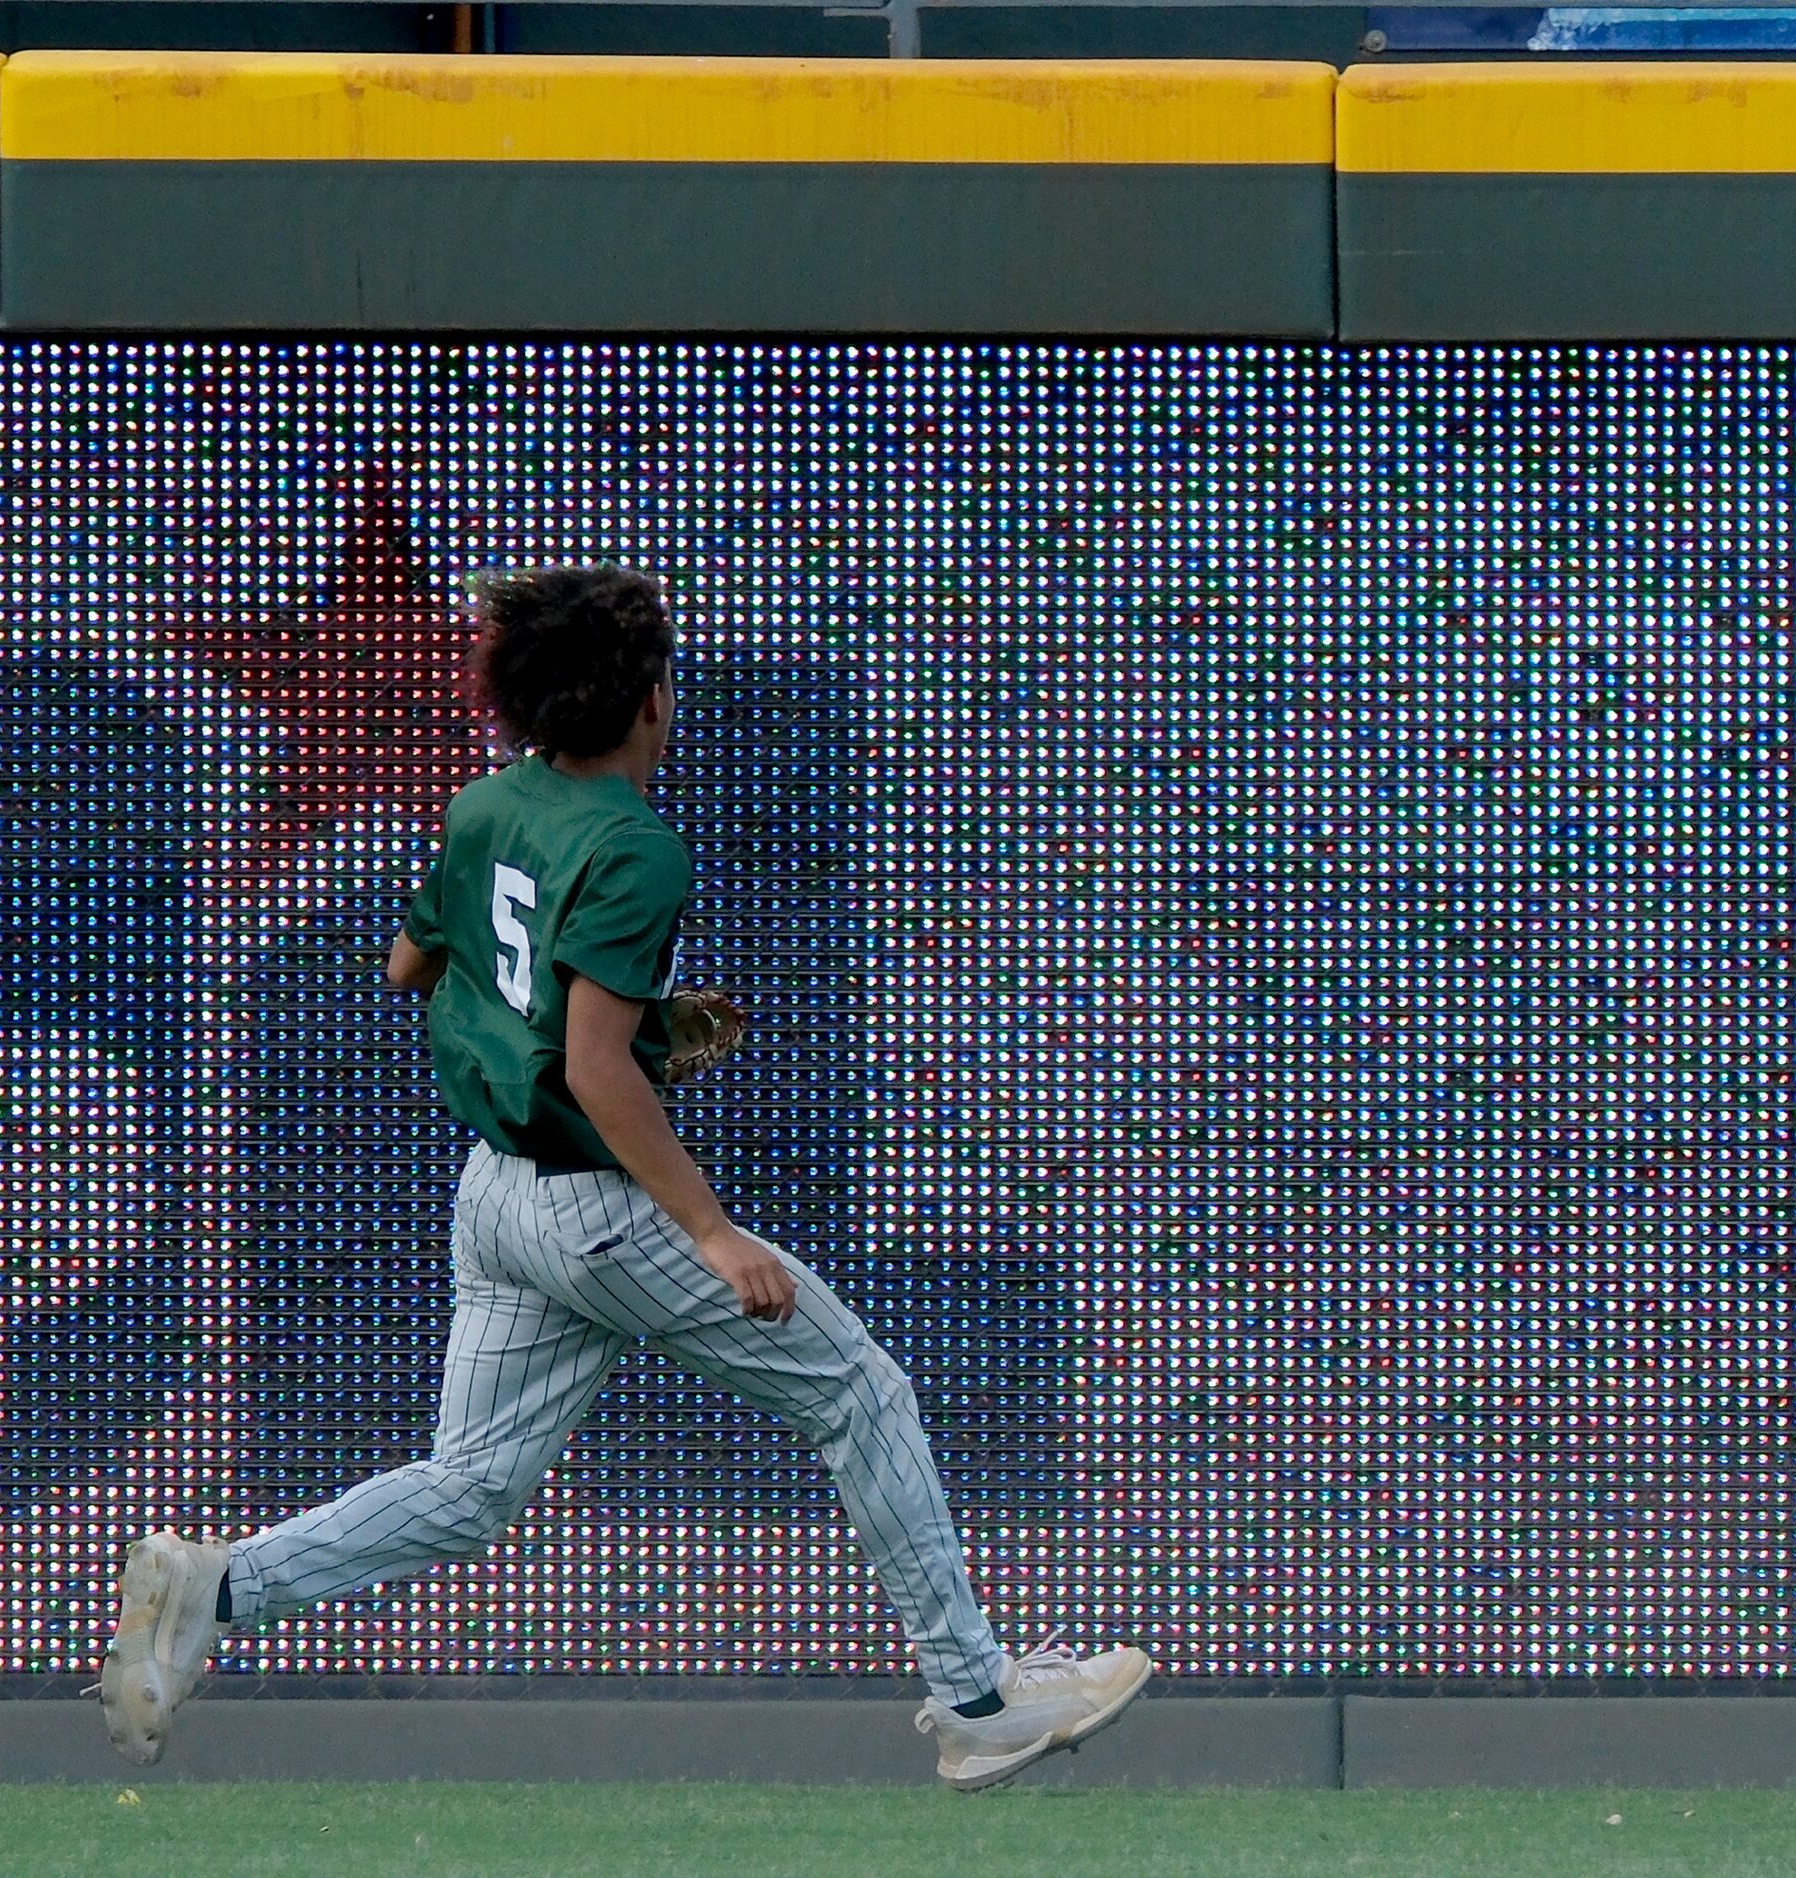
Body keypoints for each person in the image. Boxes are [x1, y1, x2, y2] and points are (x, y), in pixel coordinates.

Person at [99, 563, 1151, 1790]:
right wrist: (708, 1230)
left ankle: (218, 1587)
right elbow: (596, 1070)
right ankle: (977, 1700)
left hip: (494, 1198)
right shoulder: (634, 846)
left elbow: (410, 967)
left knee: (470, 1487)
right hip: (595, 1210)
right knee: (859, 1392)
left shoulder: (484, 802)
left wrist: (644, 1022)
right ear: (650, 701)